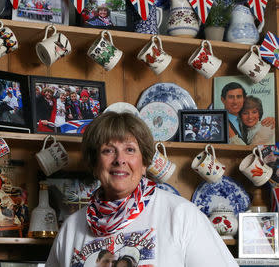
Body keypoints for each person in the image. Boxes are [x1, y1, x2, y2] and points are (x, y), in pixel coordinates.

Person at [46, 112, 237, 266]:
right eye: (108, 150)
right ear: (95, 164)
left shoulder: (181, 215)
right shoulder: (71, 228)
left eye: (130, 150)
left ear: (144, 163)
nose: (120, 159)